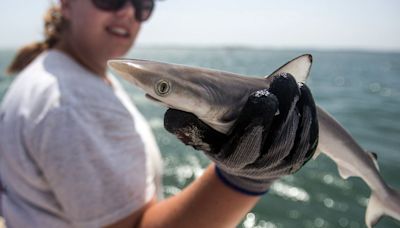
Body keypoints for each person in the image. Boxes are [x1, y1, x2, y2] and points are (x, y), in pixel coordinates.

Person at [0, 0, 318, 227]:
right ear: (66, 4)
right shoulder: (73, 103)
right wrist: (246, 175)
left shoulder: (55, 73)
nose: (128, 12)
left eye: (143, 5)